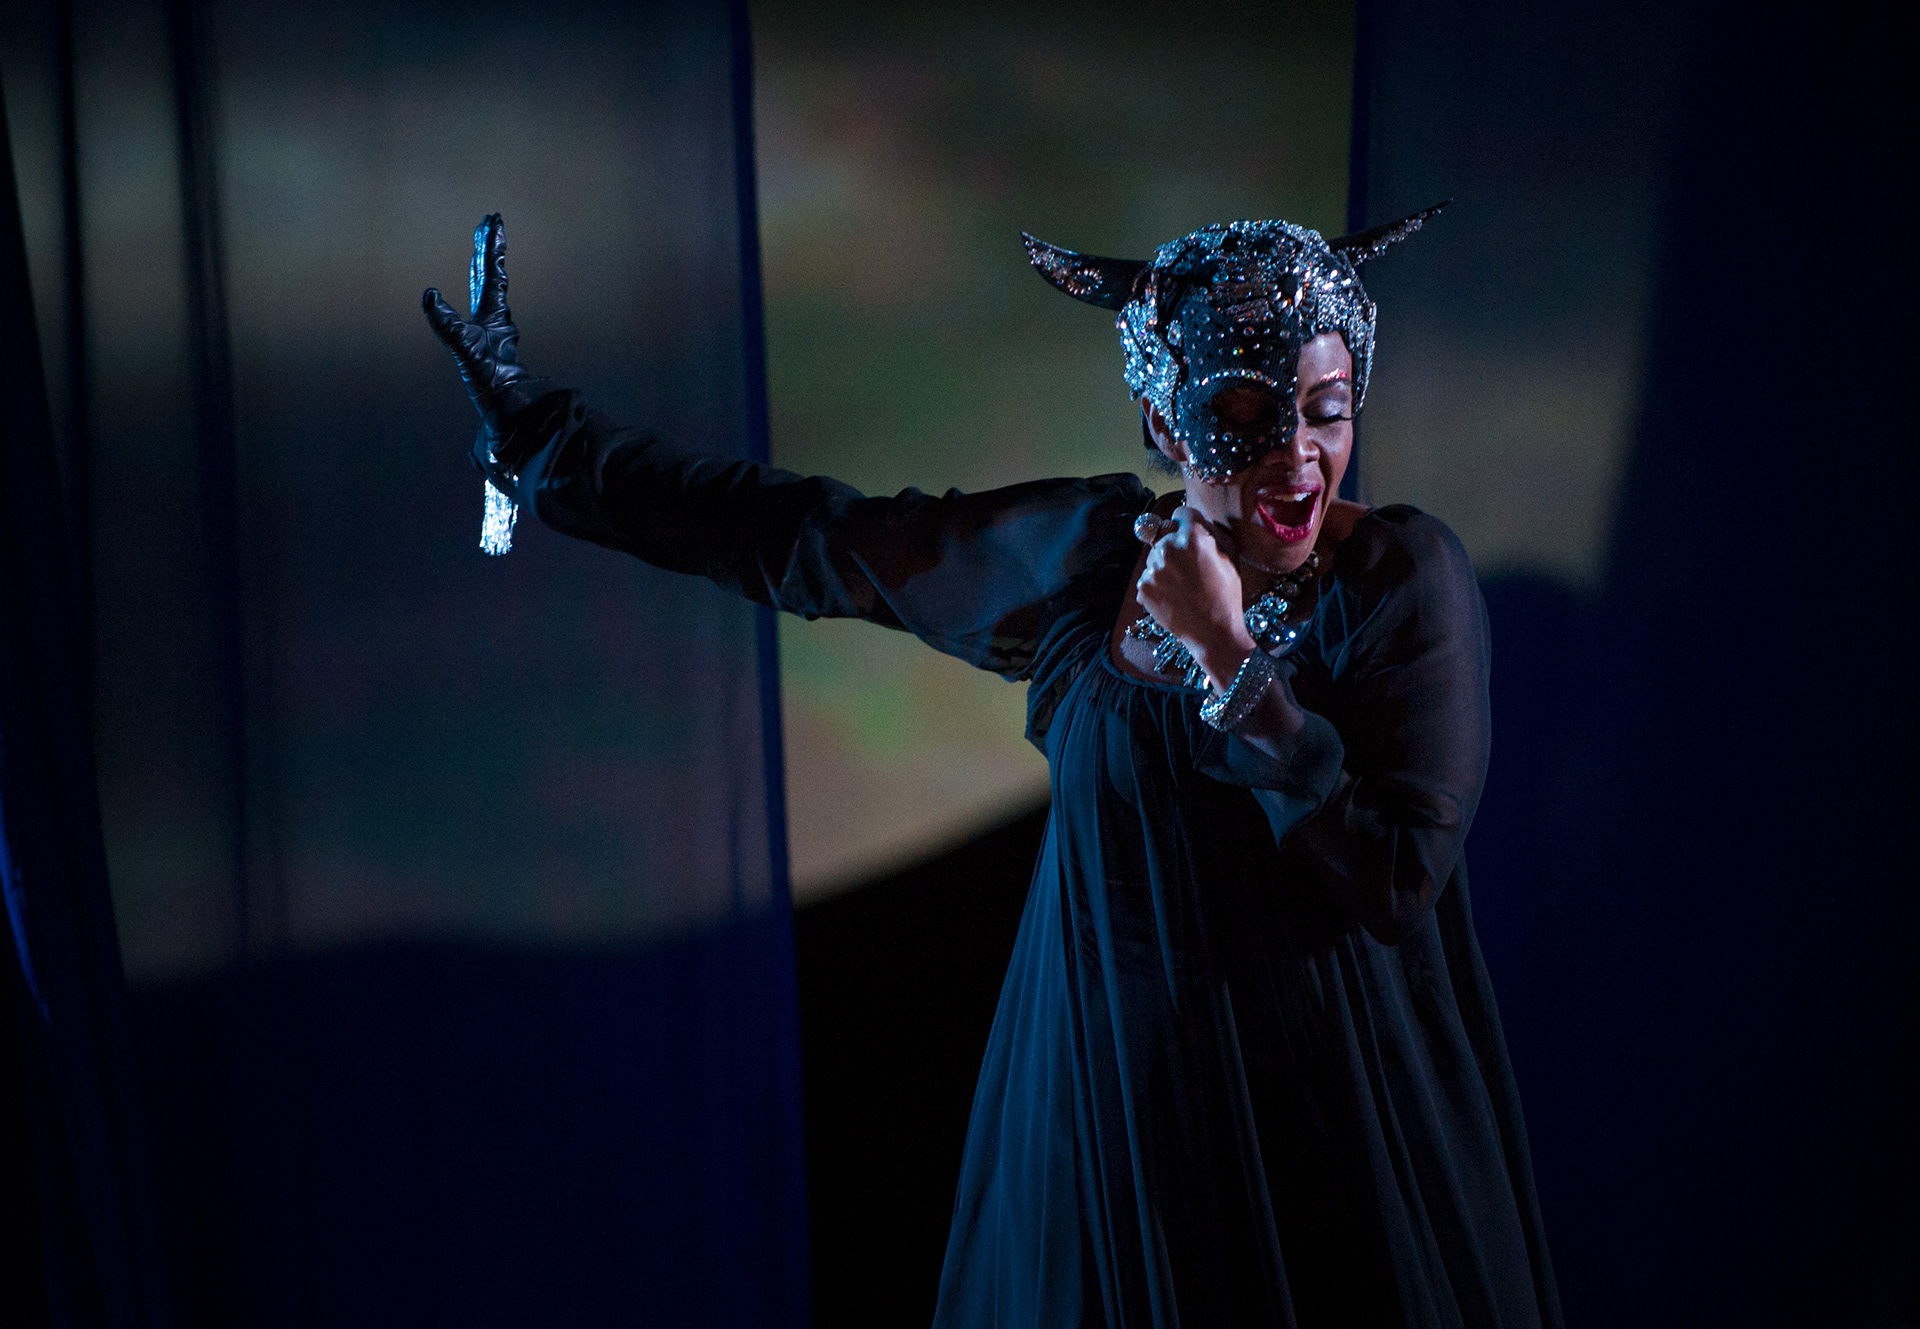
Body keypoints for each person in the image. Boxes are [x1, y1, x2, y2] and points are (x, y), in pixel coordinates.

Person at [424, 207, 1562, 1328]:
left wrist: (1229, 658)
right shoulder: (1089, 565)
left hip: (1319, 1134)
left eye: (1325, 409)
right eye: (1243, 415)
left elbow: (1397, 877)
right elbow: (822, 542)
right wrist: (547, 445)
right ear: (1163, 422)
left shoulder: (1398, 581)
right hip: (1111, 1136)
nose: (1296, 455)